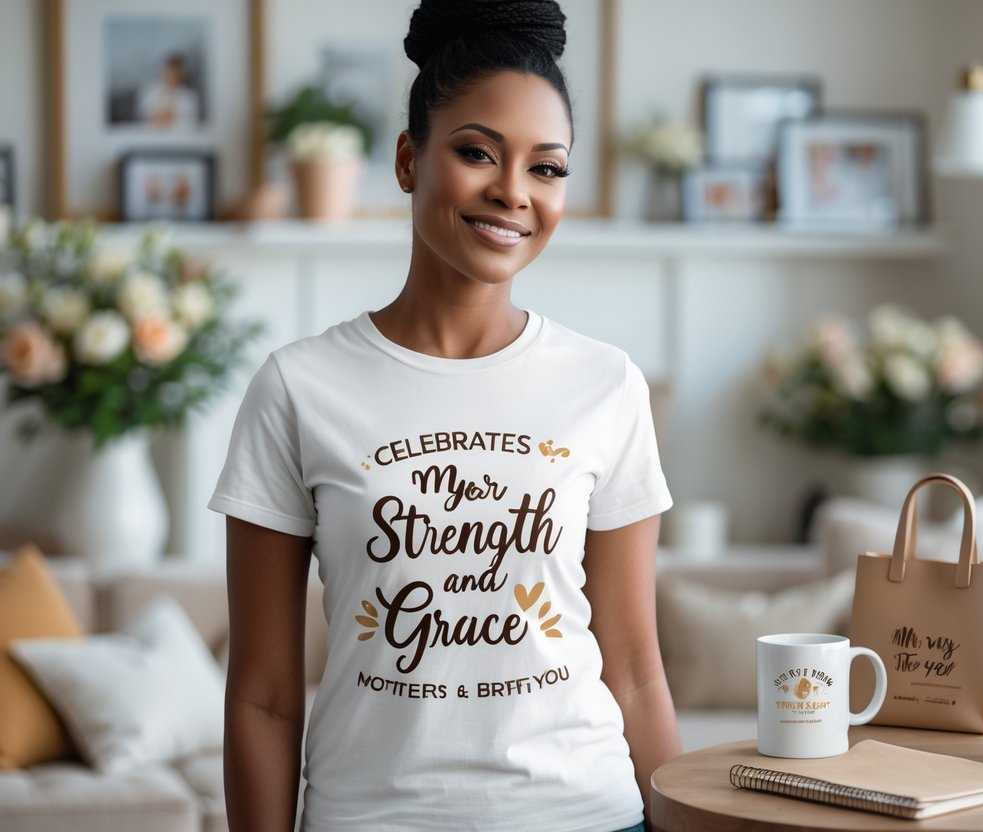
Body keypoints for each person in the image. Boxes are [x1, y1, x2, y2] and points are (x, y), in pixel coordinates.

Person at [209, 1, 682, 830]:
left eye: (547, 168)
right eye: (476, 153)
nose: (513, 192)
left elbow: (637, 671)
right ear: (408, 159)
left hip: (589, 813)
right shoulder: (298, 387)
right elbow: (263, 696)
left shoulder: (606, 385)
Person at [137, 53, 201, 130]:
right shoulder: (151, 93)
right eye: (171, 70)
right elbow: (144, 117)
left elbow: (190, 123)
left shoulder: (188, 97)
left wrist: (171, 115)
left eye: (177, 71)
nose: (173, 74)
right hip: (152, 136)